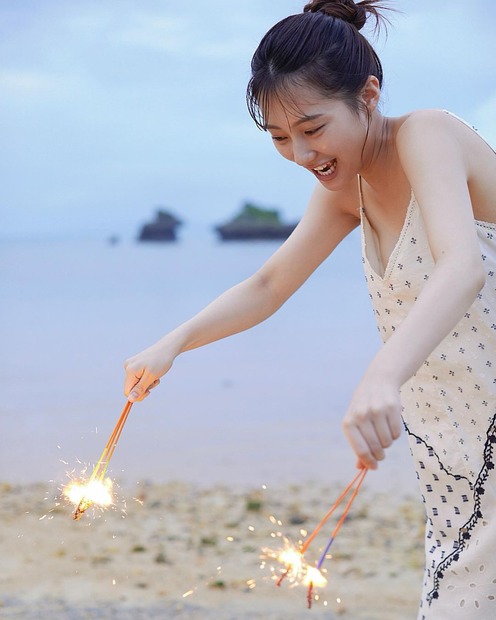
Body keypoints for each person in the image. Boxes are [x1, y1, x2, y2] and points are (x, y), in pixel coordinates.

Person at [124, 1, 496, 617]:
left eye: (313, 128)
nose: (300, 153)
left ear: (368, 96)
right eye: (279, 138)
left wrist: (381, 375)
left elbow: (463, 265)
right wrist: (174, 342)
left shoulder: (428, 134)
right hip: (449, 446)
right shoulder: (347, 189)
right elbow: (270, 285)